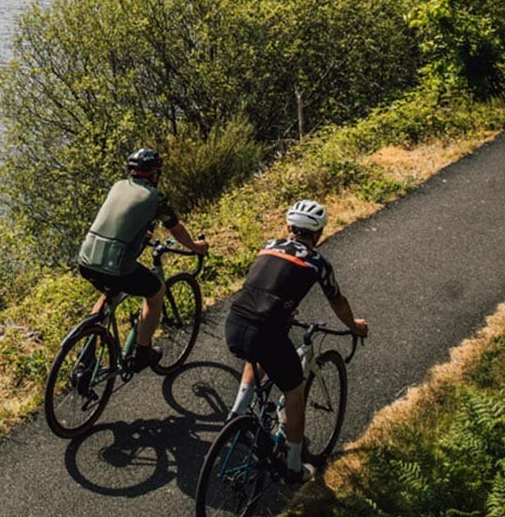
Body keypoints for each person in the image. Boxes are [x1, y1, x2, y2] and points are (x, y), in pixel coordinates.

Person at [225, 199, 368, 482]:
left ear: (288, 227)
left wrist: (286, 306)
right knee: (294, 392)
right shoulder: (317, 262)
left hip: (235, 322)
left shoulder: (268, 245)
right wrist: (354, 325)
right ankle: (293, 467)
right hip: (265, 330)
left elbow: (264, 281)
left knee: (256, 357)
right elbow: (337, 301)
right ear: (319, 234)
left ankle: (237, 413)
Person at [77, 147, 208, 371]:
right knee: (156, 292)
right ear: (154, 173)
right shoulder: (155, 197)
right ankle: (143, 352)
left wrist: (142, 235)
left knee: (110, 293)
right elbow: (175, 229)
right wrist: (196, 247)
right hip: (116, 265)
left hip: (86, 259)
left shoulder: (118, 186)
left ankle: (85, 356)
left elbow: (123, 220)